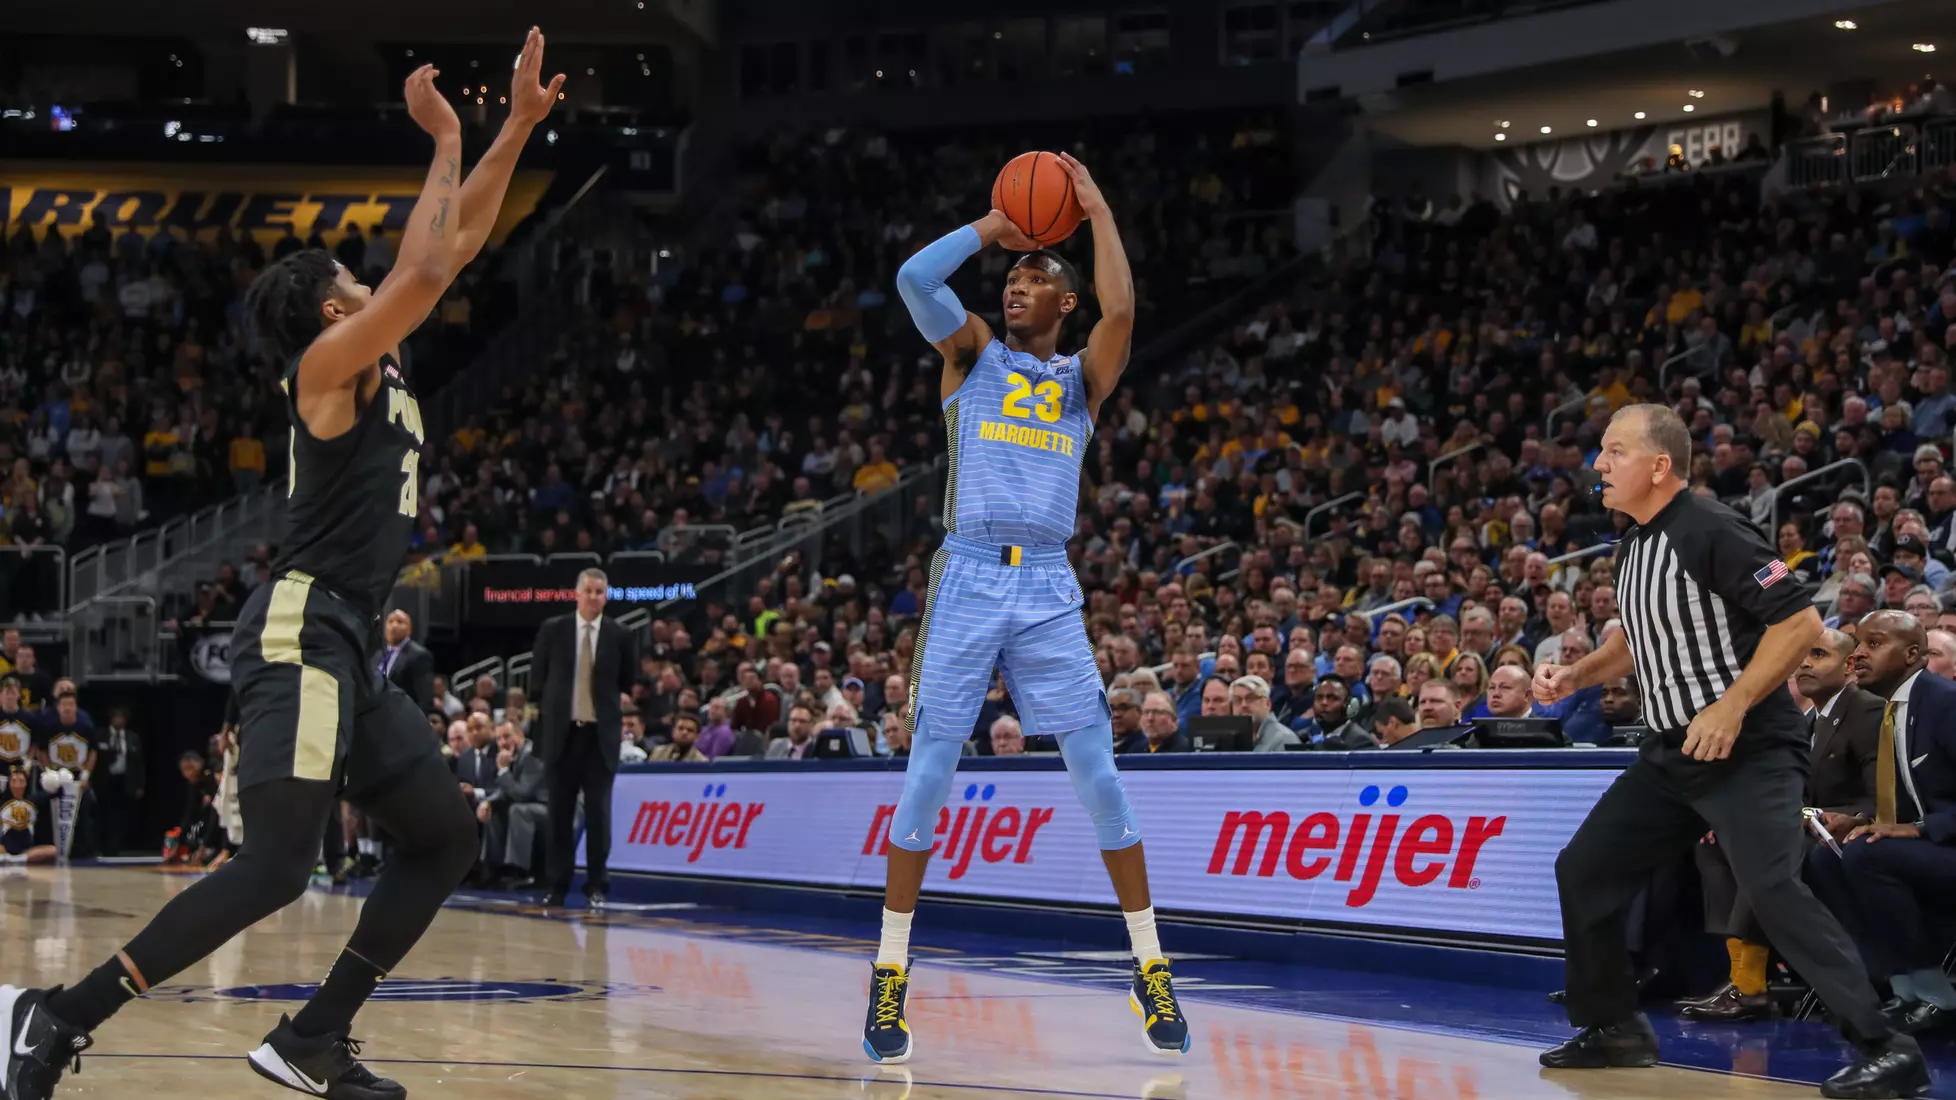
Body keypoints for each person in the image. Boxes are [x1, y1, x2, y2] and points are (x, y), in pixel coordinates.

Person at [0, 36, 564, 1100]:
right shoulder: (324, 363)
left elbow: (457, 238)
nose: (376, 276)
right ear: (330, 306)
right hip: (302, 626)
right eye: (356, 276)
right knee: (271, 863)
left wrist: (512, 130)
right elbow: (432, 260)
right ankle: (61, 1013)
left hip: (350, 639)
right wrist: (452, 135)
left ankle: (314, 1036)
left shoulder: (377, 344)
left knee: (445, 833)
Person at [867, 154, 1188, 1065]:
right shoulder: (968, 353)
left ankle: (1149, 965)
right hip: (969, 573)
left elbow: (1125, 310)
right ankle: (891, 976)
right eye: (1012, 277)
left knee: (1100, 778)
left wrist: (1096, 209)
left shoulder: (1083, 378)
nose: (1017, 283)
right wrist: (991, 228)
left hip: (1046, 582)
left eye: (1036, 276)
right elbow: (911, 277)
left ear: (1067, 305)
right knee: (929, 774)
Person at [1532, 404, 1923, 1095]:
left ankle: (1887, 1047)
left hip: (1748, 747)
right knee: (1584, 869)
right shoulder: (1634, 545)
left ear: (1659, 466)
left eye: (1613, 451)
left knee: (1772, 889)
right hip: (1672, 752)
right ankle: (1615, 1025)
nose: (1598, 464)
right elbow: (1634, 642)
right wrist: (1574, 676)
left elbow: (1801, 622)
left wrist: (1733, 704)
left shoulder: (1710, 527)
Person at [1688, 627, 1883, 1022]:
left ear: (1849, 666)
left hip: (1842, 836)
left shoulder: (1867, 710)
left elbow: (1881, 793)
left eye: (1819, 654)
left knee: (1766, 845)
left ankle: (1750, 985)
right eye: (1803, 656)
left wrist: (1852, 816)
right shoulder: (1809, 719)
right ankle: (1741, 972)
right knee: (1713, 843)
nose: (1805, 663)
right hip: (1801, 827)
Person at [1809, 611, 1956, 1035]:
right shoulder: (1890, 711)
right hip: (1929, 847)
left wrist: (1920, 829)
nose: (1857, 655)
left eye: (1873, 644)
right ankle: (1901, 989)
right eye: (1857, 644)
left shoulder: (1944, 703)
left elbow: (1926, 811)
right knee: (1829, 858)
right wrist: (1859, 819)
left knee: (1868, 857)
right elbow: (1904, 796)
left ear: (1913, 654)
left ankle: (1937, 996)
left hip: (1948, 843)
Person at [528, 567, 636, 909]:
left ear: (607, 596)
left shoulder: (621, 635)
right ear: (577, 594)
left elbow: (628, 681)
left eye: (600, 592)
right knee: (558, 813)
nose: (594, 597)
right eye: (588, 591)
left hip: (599, 737)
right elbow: (537, 681)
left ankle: (596, 884)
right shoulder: (553, 630)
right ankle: (556, 885)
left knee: (598, 814)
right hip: (561, 736)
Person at [476, 721, 547, 889]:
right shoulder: (513, 755)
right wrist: (488, 801)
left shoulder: (533, 755)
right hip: (529, 806)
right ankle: (494, 868)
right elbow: (505, 790)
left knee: (518, 810)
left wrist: (502, 770)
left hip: (547, 808)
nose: (502, 742)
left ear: (520, 736)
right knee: (494, 809)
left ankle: (519, 871)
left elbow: (522, 794)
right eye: (499, 738)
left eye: (507, 736)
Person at [374, 609, 435, 715]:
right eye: (390, 621)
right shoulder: (377, 655)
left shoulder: (419, 655)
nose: (394, 626)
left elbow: (425, 698)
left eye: (400, 622)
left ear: (409, 629)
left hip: (402, 717)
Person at [1229, 675, 1300, 751]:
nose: (1244, 705)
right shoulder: (1230, 739)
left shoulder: (1284, 739)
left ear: (1268, 704)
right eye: (1237, 700)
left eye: (1251, 698)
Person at [0, 768, 55, 865]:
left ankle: (17, 859)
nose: (17, 785)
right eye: (14, 781)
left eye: (21, 781)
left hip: (27, 850)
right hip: (4, 848)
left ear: (26, 783)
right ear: (9, 784)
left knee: (54, 850)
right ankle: (7, 857)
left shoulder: (34, 800)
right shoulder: (2, 801)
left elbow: (54, 793)